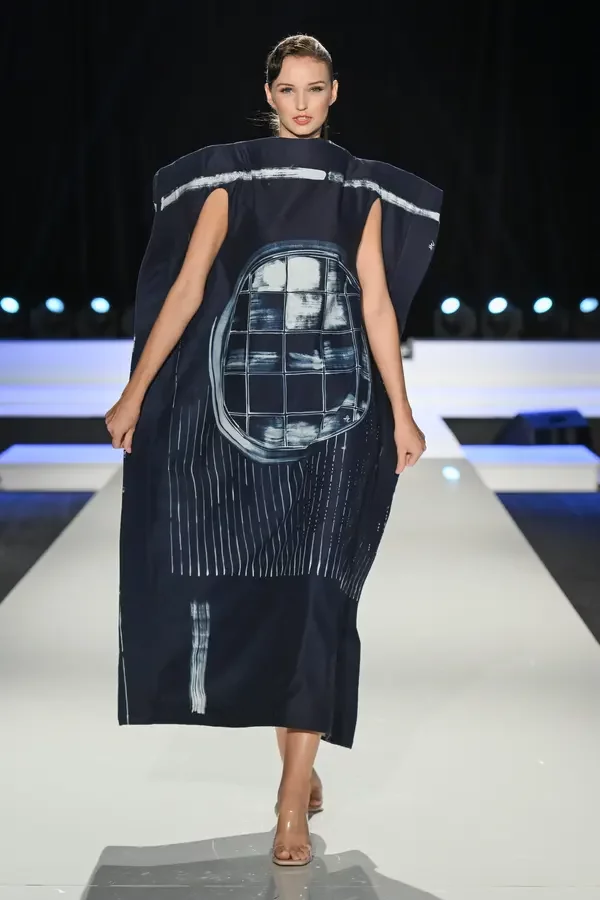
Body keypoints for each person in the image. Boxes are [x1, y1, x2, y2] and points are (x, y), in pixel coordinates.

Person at [105, 34, 442, 867]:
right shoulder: (234, 178)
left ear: (335, 93)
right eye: (288, 89)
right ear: (268, 92)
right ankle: (300, 751)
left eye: (314, 89)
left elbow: (375, 307)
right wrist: (136, 389)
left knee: (322, 597)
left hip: (340, 424)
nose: (300, 103)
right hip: (246, 423)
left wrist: (403, 412)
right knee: (274, 595)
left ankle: (291, 797)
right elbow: (189, 288)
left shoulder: (357, 187)